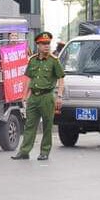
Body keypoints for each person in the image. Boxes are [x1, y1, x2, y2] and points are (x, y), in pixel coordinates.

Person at [12, 32, 65, 161]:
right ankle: (24, 151)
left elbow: (61, 78)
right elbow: (28, 78)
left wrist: (59, 96)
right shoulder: (32, 60)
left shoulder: (54, 61)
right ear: (38, 45)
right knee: (30, 125)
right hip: (34, 97)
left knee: (47, 125)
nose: (46, 46)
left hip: (47, 97)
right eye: (43, 44)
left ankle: (44, 151)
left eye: (48, 44)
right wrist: (24, 96)